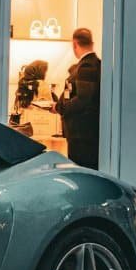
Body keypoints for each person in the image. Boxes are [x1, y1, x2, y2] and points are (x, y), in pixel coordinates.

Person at [53, 28, 101, 169]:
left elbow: (83, 100)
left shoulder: (86, 66)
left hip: (82, 137)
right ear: (91, 43)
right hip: (87, 136)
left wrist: (59, 107)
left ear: (75, 44)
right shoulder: (96, 64)